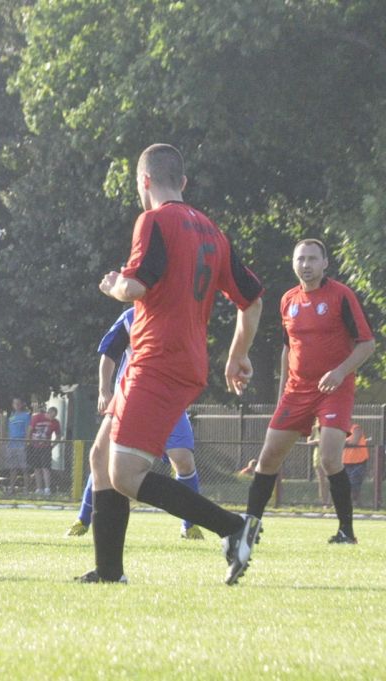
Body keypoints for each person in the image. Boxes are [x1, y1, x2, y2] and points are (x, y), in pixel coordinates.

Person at [86, 144, 265, 586]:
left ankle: (233, 527)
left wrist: (113, 285)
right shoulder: (212, 231)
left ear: (144, 181)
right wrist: (238, 353)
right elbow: (251, 298)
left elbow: (134, 287)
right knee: (101, 457)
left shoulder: (154, 221)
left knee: (125, 474)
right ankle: (109, 572)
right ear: (182, 181)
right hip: (171, 358)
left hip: (159, 360)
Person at [245, 239, 375, 544]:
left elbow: (367, 344)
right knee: (268, 459)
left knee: (329, 458)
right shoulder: (288, 299)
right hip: (296, 390)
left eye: (313, 259)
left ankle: (346, 532)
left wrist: (340, 371)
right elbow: (288, 348)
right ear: (293, 263)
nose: (306, 264)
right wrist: (282, 394)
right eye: (300, 259)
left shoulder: (341, 295)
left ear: (325, 263)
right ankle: (248, 528)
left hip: (334, 388)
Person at [67, 307, 205, 540]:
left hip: (168, 401)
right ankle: (83, 519)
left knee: (183, 459)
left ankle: (189, 525)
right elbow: (109, 354)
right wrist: (104, 390)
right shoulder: (131, 317)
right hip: (129, 399)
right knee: (102, 457)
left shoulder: (183, 315)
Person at [28, 403, 60, 497]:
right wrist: (29, 443)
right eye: (51, 416)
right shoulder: (37, 417)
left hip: (46, 447)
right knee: (37, 468)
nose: (52, 418)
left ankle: (47, 489)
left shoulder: (55, 422)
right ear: (48, 413)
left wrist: (52, 445)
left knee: (46, 468)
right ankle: (39, 488)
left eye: (54, 416)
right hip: (35, 446)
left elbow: (58, 435)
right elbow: (29, 430)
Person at [5, 398, 32, 494]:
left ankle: (26, 489)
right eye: (15, 403)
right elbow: (9, 430)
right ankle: (11, 488)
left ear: (22, 404)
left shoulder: (26, 415)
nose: (17, 405)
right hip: (11, 444)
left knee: (24, 468)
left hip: (22, 443)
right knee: (12, 468)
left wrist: (27, 442)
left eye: (18, 403)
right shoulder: (11, 416)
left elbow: (29, 429)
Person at [343, 424, 371, 506]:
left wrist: (341, 442)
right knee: (345, 483)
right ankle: (348, 503)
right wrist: (345, 442)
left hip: (359, 462)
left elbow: (354, 442)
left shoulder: (356, 428)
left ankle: (356, 502)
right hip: (346, 462)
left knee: (354, 484)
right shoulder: (341, 430)